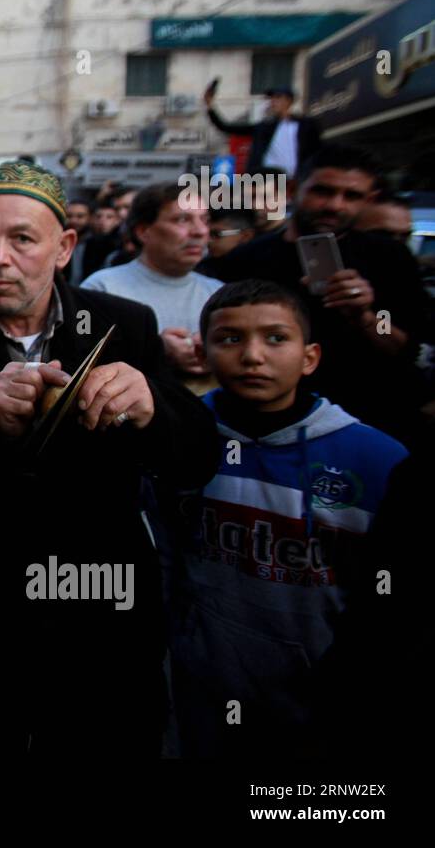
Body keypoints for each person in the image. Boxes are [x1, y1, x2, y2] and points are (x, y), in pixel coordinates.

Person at [0, 159, 218, 758]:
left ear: (64, 246)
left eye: (21, 239)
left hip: (104, 620)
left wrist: (150, 410)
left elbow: (196, 458)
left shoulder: (124, 325)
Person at [168, 279, 407, 757]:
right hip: (202, 685)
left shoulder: (377, 459)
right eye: (230, 338)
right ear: (202, 350)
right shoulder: (178, 437)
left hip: (321, 695)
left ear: (310, 356)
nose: (253, 356)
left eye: (276, 338)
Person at [211, 145, 432, 444]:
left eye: (351, 196)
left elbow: (406, 348)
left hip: (372, 426)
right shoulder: (244, 261)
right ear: (294, 189)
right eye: (323, 191)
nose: (335, 205)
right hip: (267, 431)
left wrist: (367, 316)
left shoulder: (389, 258)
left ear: (368, 200)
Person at [81, 182, 224, 381]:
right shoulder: (100, 289)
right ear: (143, 231)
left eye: (205, 220)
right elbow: (79, 356)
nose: (200, 231)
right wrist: (155, 348)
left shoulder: (219, 293)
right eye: (183, 220)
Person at [204, 86, 322, 179]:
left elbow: (315, 151)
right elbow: (225, 127)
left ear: (289, 101)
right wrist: (210, 106)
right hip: (267, 180)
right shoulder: (263, 127)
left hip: (296, 180)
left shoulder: (306, 125)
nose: (273, 102)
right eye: (271, 99)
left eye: (277, 98)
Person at [196, 207, 257, 277]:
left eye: (216, 234)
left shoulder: (262, 268)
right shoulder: (200, 269)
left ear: (246, 236)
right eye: (206, 234)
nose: (207, 241)